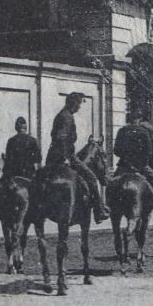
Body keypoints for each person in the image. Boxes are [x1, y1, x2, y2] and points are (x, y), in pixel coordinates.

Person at [47, 91, 108, 222]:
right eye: (79, 104)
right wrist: (66, 158)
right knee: (91, 177)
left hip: (52, 157)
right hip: (65, 156)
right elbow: (62, 137)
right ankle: (99, 211)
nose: (79, 107)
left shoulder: (61, 114)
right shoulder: (67, 117)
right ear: (73, 104)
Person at [1, 116, 41, 181]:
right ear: (26, 127)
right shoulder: (33, 140)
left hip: (14, 174)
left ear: (16, 128)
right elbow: (38, 159)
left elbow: (8, 160)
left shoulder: (11, 141)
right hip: (29, 174)